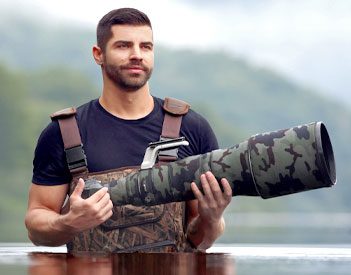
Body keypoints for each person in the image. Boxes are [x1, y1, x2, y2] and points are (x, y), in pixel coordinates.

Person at [25, 7, 232, 252]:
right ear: (98, 54)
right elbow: (36, 224)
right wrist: (68, 223)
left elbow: (201, 240)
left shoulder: (192, 129)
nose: (137, 55)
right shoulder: (64, 132)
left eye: (146, 47)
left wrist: (212, 218)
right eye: (123, 46)